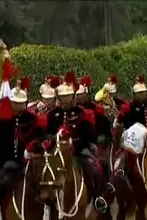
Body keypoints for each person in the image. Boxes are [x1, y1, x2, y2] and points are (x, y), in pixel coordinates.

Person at [0, 76, 47, 220]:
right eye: (15, 102)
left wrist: (33, 148)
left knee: (48, 188)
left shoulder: (33, 120)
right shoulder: (1, 119)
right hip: (6, 163)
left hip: (28, 163)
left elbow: (41, 137)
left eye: (20, 103)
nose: (18, 106)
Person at [47, 71, 109, 213]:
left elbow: (90, 135)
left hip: (79, 151)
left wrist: (75, 141)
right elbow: (47, 134)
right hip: (57, 154)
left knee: (95, 170)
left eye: (68, 96)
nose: (66, 99)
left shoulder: (82, 113)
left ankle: (98, 198)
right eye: (63, 97)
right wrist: (54, 140)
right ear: (58, 97)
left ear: (73, 96)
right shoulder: (52, 114)